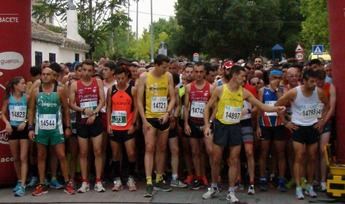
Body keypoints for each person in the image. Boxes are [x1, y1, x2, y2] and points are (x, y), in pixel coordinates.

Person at [202, 65, 285, 203]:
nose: (244, 79)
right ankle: (214, 186)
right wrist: (206, 126)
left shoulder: (244, 92)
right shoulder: (220, 89)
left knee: (234, 160)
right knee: (216, 160)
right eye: (242, 76)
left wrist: (277, 108)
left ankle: (231, 191)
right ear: (235, 75)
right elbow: (207, 108)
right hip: (221, 126)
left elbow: (261, 106)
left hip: (235, 127)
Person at [276, 68, 330, 199]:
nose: (314, 84)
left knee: (312, 157)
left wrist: (322, 121)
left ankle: (310, 186)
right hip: (298, 127)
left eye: (316, 81)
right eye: (311, 81)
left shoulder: (319, 92)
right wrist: (285, 123)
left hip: (312, 127)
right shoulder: (294, 92)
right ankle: (299, 187)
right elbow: (278, 105)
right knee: (299, 156)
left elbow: (327, 105)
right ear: (304, 81)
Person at [27, 66, 74, 196]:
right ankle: (41, 184)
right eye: (43, 74)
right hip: (40, 129)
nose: (45, 76)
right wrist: (30, 127)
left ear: (53, 76)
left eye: (48, 74)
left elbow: (65, 109)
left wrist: (68, 126)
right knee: (41, 156)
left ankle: (67, 183)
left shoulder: (60, 90)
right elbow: (31, 110)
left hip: (56, 129)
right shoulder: (36, 91)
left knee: (61, 155)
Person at [137, 54, 176, 197]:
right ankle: (148, 181)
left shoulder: (169, 76)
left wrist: (167, 113)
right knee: (149, 148)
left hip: (163, 117)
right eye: (164, 67)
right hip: (150, 117)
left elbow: (172, 98)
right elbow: (139, 101)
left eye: (167, 67)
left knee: (162, 148)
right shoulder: (144, 77)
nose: (166, 69)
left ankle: (159, 178)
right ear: (157, 65)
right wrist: (144, 120)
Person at [69, 59, 106, 193]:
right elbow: (71, 104)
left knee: (97, 151)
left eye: (89, 70)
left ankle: (98, 181)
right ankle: (84, 182)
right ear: (80, 70)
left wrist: (94, 113)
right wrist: (84, 111)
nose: (86, 73)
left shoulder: (98, 82)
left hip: (95, 120)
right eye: (84, 70)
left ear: (93, 71)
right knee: (83, 152)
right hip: (81, 121)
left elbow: (102, 100)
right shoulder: (74, 85)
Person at [107, 65, 138, 192]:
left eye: (123, 78)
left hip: (128, 126)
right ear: (115, 77)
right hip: (115, 126)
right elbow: (109, 107)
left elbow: (136, 107)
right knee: (115, 154)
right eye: (118, 78)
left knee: (131, 153)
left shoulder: (132, 89)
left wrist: (133, 124)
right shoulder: (111, 90)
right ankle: (117, 179)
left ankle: (131, 178)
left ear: (127, 78)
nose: (120, 81)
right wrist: (108, 124)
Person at [257, 69, 287, 192]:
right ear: (269, 78)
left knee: (280, 153)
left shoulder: (283, 90)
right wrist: (257, 127)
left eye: (279, 77)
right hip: (265, 125)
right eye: (274, 77)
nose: (276, 80)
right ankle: (263, 178)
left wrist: (277, 90)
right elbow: (259, 108)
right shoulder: (262, 90)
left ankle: (280, 179)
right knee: (264, 152)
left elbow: (283, 102)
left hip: (279, 125)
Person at [184, 62, 213, 189]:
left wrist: (209, 123)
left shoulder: (211, 88)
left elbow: (215, 108)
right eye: (196, 72)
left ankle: (208, 176)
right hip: (193, 122)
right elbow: (186, 107)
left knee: (208, 151)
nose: (199, 74)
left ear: (205, 73)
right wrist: (185, 123)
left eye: (201, 72)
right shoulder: (189, 87)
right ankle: (198, 176)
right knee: (195, 151)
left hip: (206, 124)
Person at [1, 77, 29, 197]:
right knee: (16, 157)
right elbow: (2, 113)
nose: (25, 85)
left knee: (23, 157)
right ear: (15, 86)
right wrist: (7, 123)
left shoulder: (27, 97)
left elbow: (31, 112)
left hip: (23, 129)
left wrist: (26, 121)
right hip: (12, 129)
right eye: (22, 83)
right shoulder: (8, 98)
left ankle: (23, 185)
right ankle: (19, 180)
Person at [316, 69, 336, 191]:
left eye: (320, 81)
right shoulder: (311, 88)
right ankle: (315, 179)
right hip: (312, 121)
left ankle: (323, 180)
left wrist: (323, 122)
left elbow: (331, 108)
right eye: (316, 81)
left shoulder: (330, 87)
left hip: (325, 121)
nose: (318, 84)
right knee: (312, 152)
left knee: (323, 151)